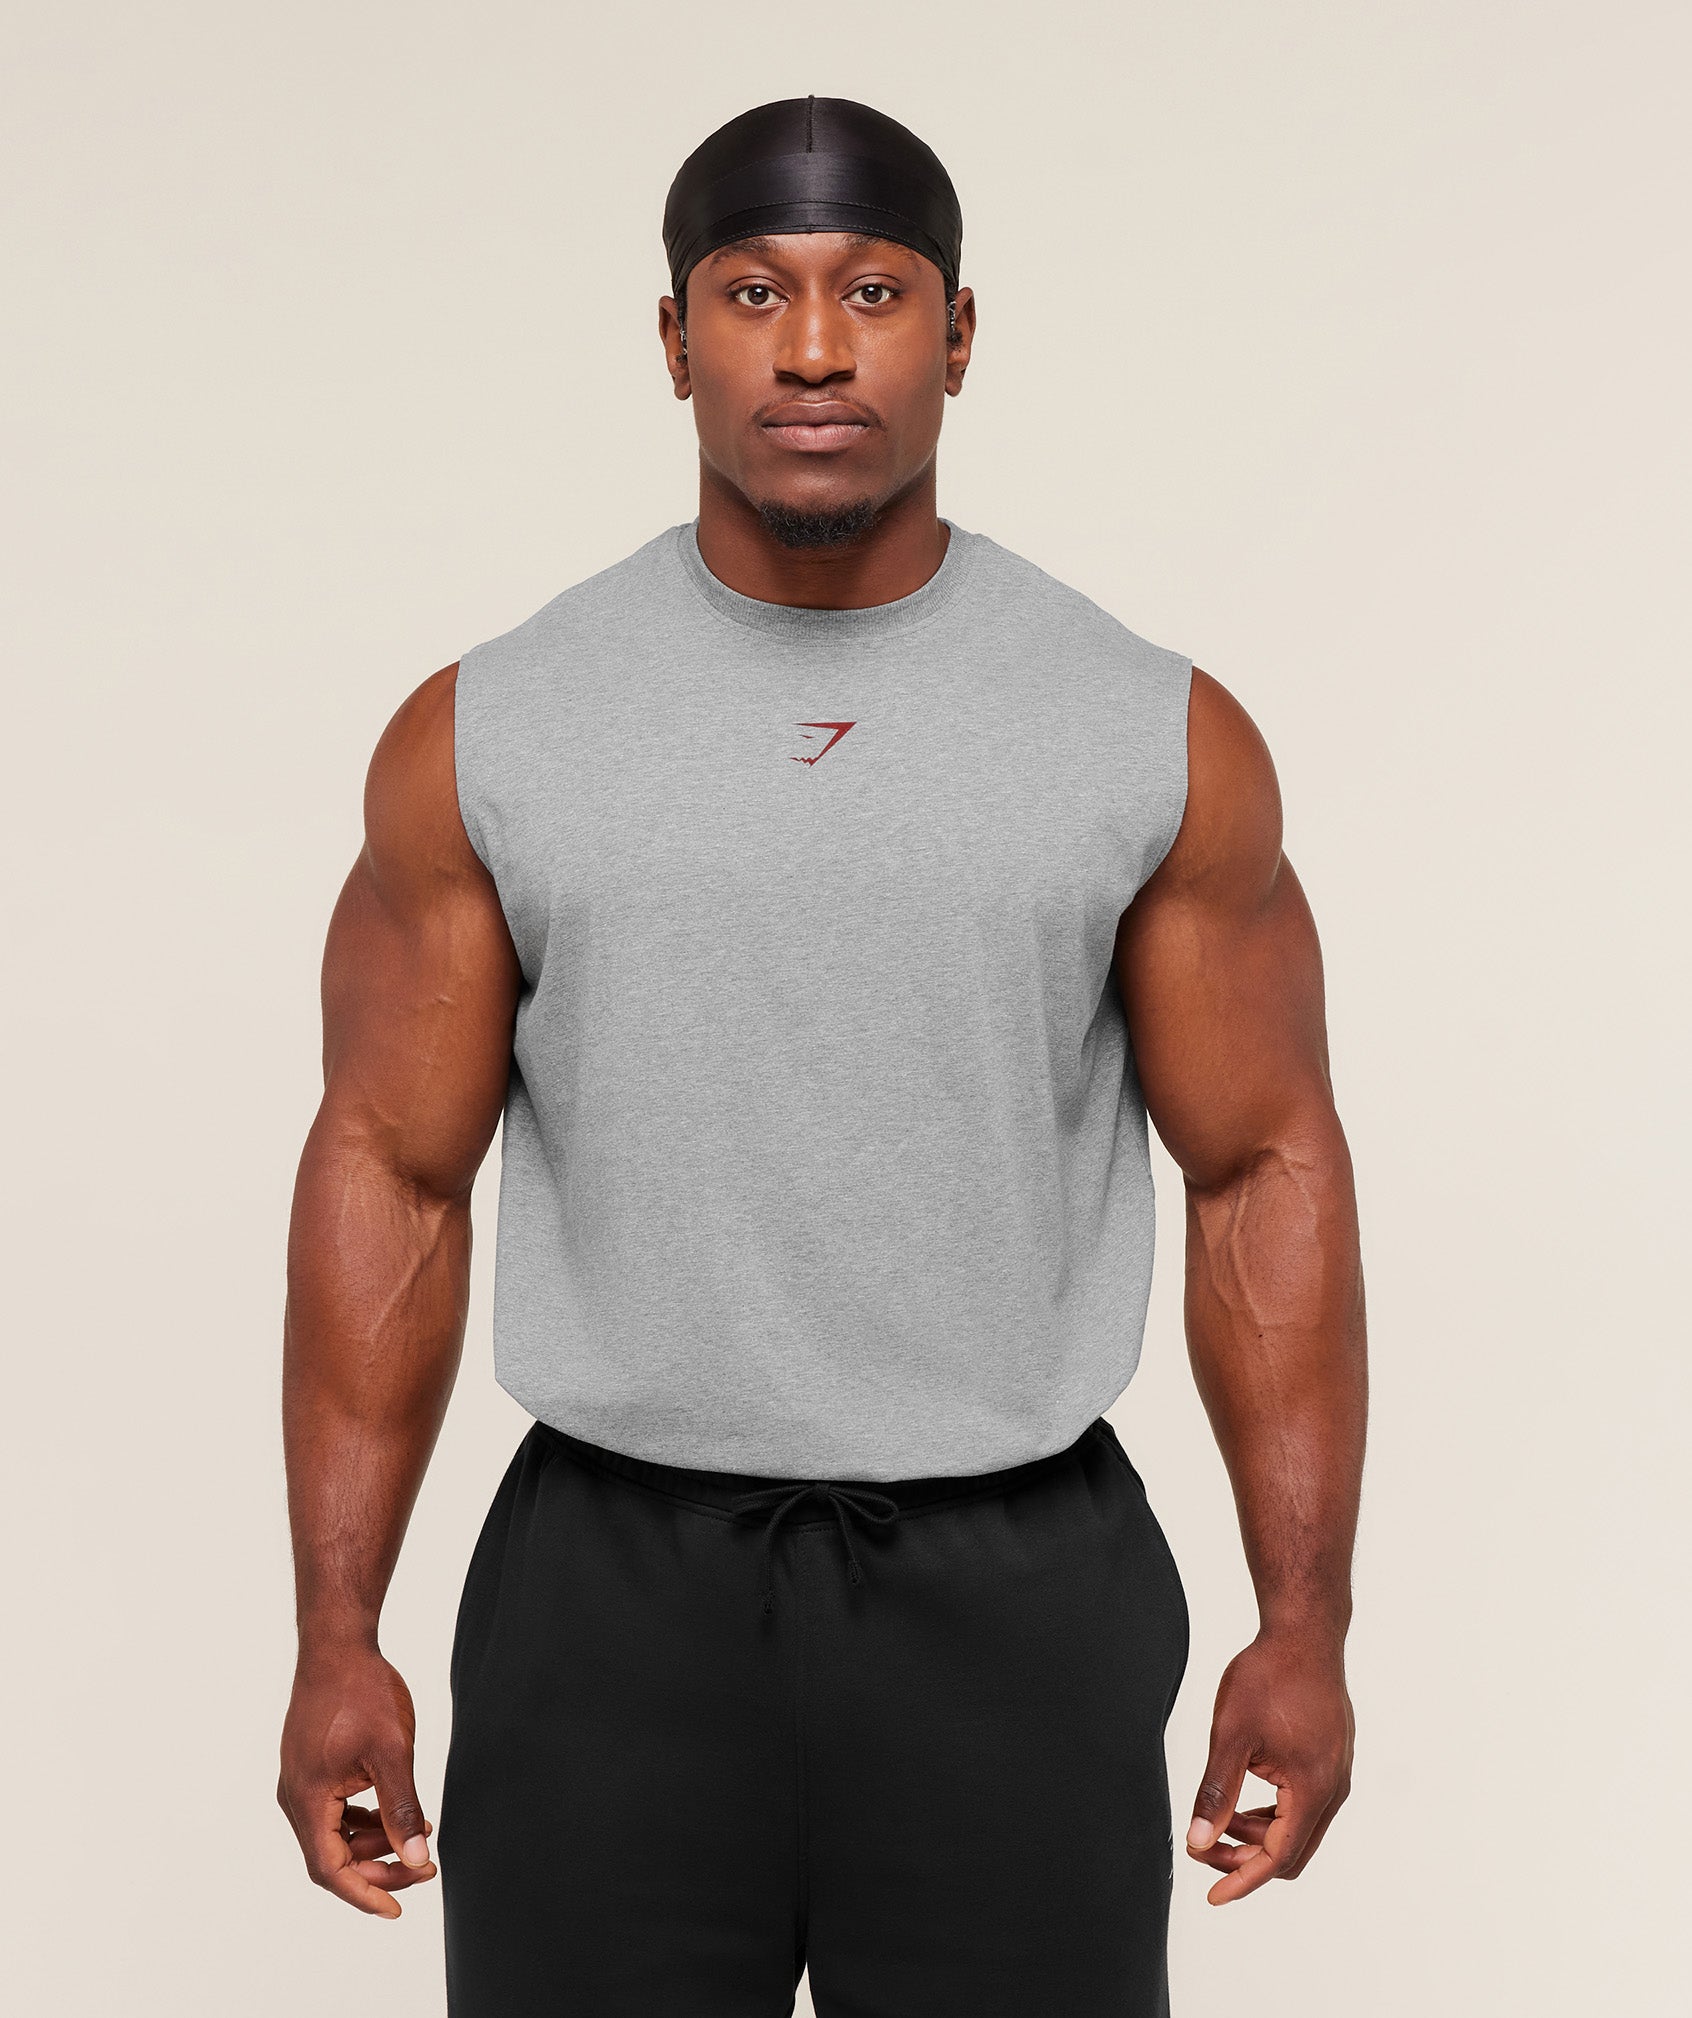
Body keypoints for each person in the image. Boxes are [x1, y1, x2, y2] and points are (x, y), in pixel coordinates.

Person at [277, 94, 1366, 2018]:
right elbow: (392, 1169)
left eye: (872, 291)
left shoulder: (1145, 729)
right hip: (610, 1595)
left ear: (958, 333)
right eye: (751, 290)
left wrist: (1307, 1619)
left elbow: (1263, 1163)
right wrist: (334, 1629)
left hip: (1014, 1593)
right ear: (673, 337)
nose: (810, 347)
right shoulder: (495, 729)